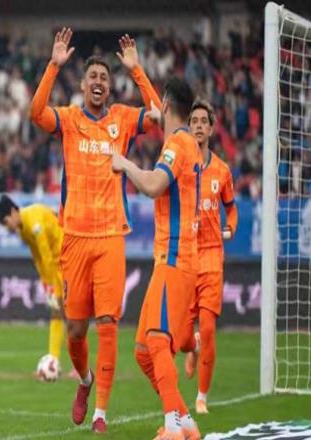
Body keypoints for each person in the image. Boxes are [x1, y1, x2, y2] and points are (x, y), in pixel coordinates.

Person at [30, 28, 161, 433]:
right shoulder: (69, 119)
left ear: (109, 86)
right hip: (74, 237)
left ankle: (101, 412)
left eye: (104, 77)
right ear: (84, 85)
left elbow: (158, 115)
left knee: (108, 323)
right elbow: (36, 114)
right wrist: (53, 66)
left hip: (110, 237)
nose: (99, 82)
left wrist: (137, 71)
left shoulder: (123, 118)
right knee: (75, 331)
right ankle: (85, 381)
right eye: (93, 77)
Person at [110, 77, 202, 440]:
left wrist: (125, 163)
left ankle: (172, 427)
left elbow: (152, 186)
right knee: (143, 351)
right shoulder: (183, 142)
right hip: (172, 258)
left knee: (158, 341)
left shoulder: (178, 144)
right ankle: (185, 421)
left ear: (165, 105)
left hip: (176, 257)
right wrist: (137, 72)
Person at [181, 99, 238, 414]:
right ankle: (191, 346)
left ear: (211, 129)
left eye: (204, 121)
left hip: (212, 257)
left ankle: (201, 397)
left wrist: (230, 228)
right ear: (188, 127)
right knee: (181, 335)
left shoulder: (222, 170)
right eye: (194, 121)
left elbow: (231, 209)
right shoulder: (181, 167)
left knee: (208, 326)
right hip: (186, 255)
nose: (199, 126)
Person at [0, 195, 67, 377]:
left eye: (5, 222)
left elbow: (46, 255)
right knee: (56, 312)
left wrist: (51, 286)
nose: (6, 227)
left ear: (13, 211)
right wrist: (46, 284)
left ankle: (80, 366)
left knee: (74, 315)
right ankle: (53, 361)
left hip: (67, 261)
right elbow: (38, 258)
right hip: (55, 267)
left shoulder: (34, 223)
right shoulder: (23, 230)